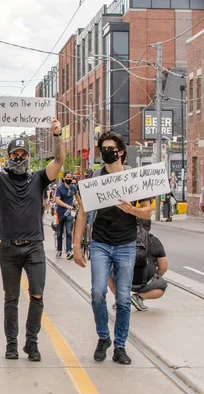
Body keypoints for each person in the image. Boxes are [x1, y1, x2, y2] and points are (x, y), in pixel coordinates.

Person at [0, 116, 64, 362]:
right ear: (8, 158)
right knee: (11, 298)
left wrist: (58, 136)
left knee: (37, 295)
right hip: (8, 248)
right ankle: (11, 344)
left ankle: (31, 342)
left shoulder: (38, 179)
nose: (19, 158)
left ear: (29, 158)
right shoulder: (0, 181)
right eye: (15, 155)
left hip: (34, 249)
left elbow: (59, 161)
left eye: (23, 154)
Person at [73, 131, 152, 365]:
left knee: (124, 298)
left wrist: (133, 210)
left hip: (126, 243)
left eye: (111, 148)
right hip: (100, 242)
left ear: (121, 152)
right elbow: (83, 212)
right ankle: (103, 337)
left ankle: (120, 346)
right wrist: (77, 246)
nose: (107, 152)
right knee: (98, 292)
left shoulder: (133, 178)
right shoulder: (96, 177)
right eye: (103, 148)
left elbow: (148, 210)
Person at [110, 219, 168, 312]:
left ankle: (120, 298)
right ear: (149, 227)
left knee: (108, 272)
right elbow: (163, 267)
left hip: (122, 280)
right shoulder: (155, 241)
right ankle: (139, 297)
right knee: (162, 287)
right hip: (145, 282)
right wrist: (153, 276)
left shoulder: (123, 238)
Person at [55, 171, 77, 260]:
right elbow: (57, 200)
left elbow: (77, 198)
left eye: (70, 177)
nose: (69, 179)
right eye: (67, 177)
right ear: (63, 178)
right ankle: (59, 250)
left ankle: (68, 251)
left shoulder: (73, 188)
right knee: (59, 233)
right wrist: (66, 205)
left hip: (69, 214)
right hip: (60, 213)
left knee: (68, 232)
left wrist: (81, 205)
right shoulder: (59, 188)